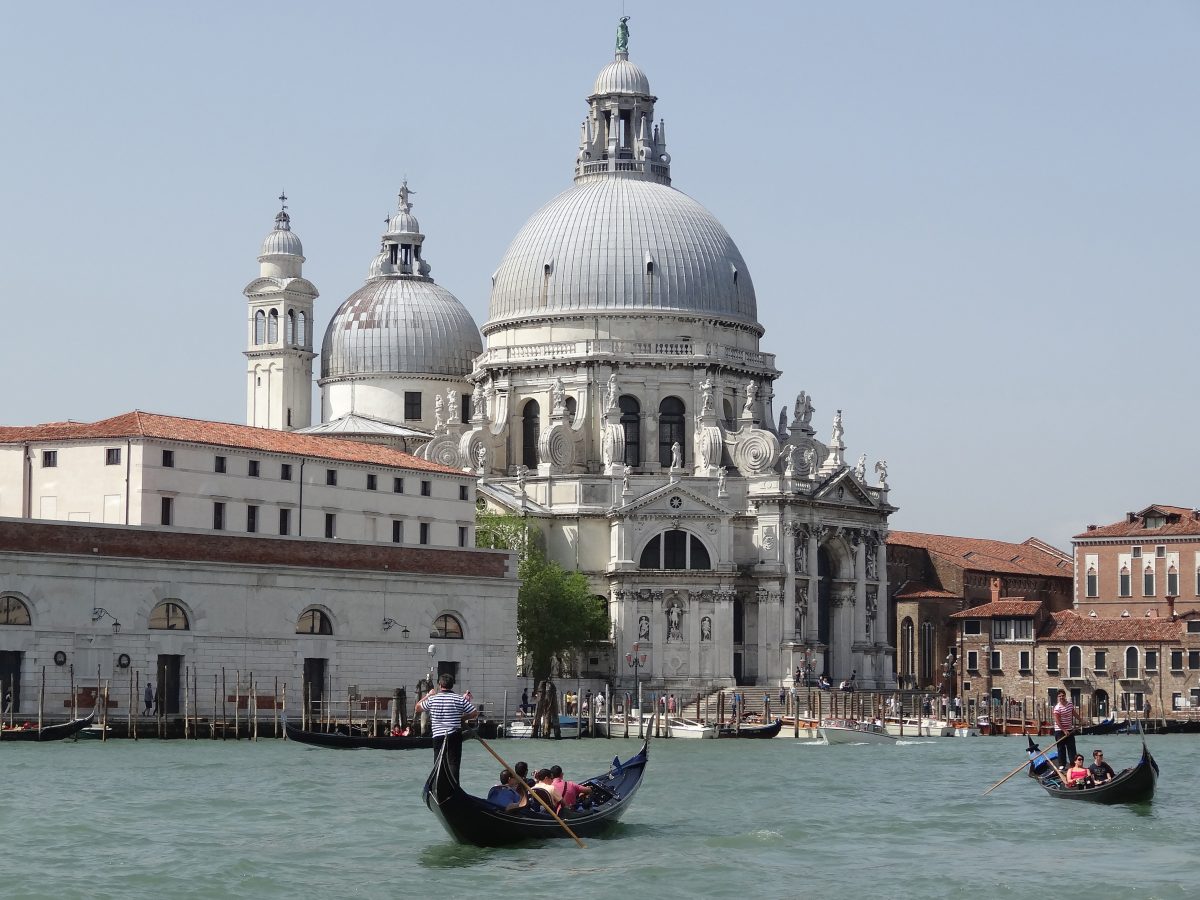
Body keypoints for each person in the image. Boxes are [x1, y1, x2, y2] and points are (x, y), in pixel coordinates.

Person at [414, 673, 479, 783]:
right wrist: (462, 717)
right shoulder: (459, 699)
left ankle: (439, 784)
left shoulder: (433, 699)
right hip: (454, 735)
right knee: (453, 763)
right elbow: (474, 713)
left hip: (438, 736)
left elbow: (417, 708)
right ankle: (454, 787)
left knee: (438, 762)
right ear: (452, 685)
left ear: (439, 685)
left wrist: (428, 695)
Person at [1052, 690, 1078, 766]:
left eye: (1063, 695)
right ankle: (1062, 765)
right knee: (1061, 748)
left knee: (1072, 748)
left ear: (1065, 696)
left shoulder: (1070, 704)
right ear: (1057, 697)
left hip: (1069, 729)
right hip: (1059, 730)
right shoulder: (1057, 708)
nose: (1061, 697)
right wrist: (1064, 730)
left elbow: (1073, 713)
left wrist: (1081, 720)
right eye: (1060, 696)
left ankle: (1073, 764)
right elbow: (1057, 721)